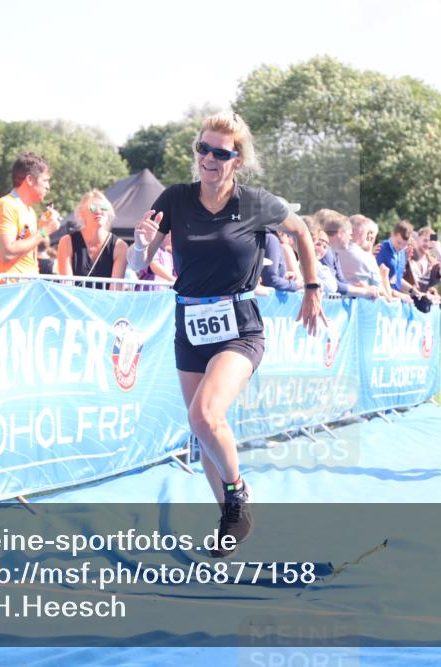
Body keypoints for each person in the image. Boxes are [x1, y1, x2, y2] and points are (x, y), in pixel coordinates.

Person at [127, 111, 325, 556]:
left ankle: (238, 496)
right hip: (189, 325)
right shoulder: (176, 198)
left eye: (221, 153)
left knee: (205, 415)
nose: (209, 159)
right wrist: (142, 242)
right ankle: (230, 519)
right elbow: (141, 264)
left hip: (240, 326)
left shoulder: (255, 202)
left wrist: (312, 288)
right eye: (203, 149)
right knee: (203, 430)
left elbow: (302, 233)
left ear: (236, 160)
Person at [0, 152, 61, 285]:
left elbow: (21, 244)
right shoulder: (5, 205)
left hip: (25, 291)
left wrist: (41, 228)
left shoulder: (30, 211)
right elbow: (7, 253)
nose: (48, 187)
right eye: (45, 180)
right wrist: (43, 232)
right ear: (30, 180)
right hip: (7, 293)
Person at [56, 190, 127, 288]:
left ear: (109, 212)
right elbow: (67, 286)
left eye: (103, 207)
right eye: (92, 208)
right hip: (74, 301)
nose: (98, 211)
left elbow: (115, 290)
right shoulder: (67, 242)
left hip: (106, 301)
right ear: (82, 214)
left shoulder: (120, 246)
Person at [376, 220, 416, 302]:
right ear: (392, 234)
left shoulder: (402, 252)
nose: (401, 247)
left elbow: (397, 278)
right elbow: (379, 279)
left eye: (405, 244)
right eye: (399, 243)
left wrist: (413, 291)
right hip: (383, 300)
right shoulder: (381, 249)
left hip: (395, 300)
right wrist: (398, 295)